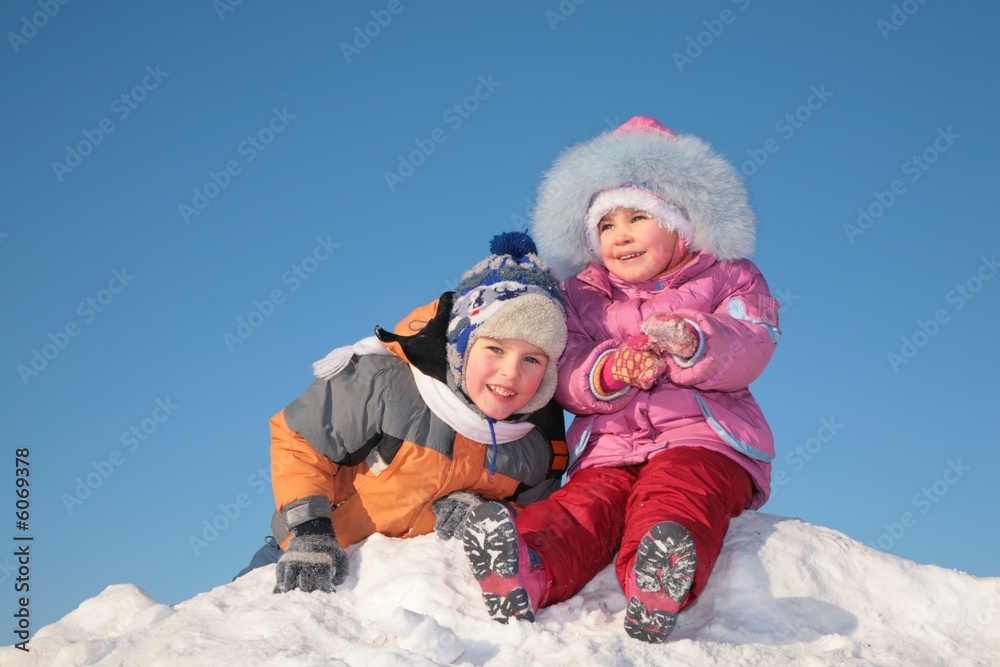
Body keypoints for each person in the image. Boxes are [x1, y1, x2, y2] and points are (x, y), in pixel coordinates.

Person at [462, 116, 780, 643]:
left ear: (682, 223)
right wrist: (609, 371)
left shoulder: (728, 275)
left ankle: (656, 578)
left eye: (638, 216)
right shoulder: (579, 295)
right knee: (582, 508)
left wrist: (694, 341)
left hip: (703, 441)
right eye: (605, 225)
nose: (620, 234)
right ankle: (527, 566)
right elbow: (563, 372)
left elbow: (753, 340)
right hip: (609, 448)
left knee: (678, 493)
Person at [247, 231, 569, 594]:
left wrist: (485, 506)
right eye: (495, 349)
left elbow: (534, 508)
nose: (511, 372)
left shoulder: (537, 440)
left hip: (396, 581)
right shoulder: (386, 383)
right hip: (302, 551)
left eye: (532, 359)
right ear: (461, 348)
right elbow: (301, 440)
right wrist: (310, 531)